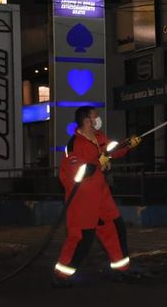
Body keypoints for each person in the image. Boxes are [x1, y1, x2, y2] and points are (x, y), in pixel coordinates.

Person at [53, 106, 141, 287]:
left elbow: (111, 150)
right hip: (82, 200)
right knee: (81, 239)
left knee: (116, 230)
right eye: (95, 117)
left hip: (101, 195)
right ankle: (61, 275)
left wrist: (127, 145)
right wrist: (96, 162)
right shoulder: (74, 146)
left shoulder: (99, 137)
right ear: (86, 120)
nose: (98, 119)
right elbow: (77, 175)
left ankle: (121, 270)